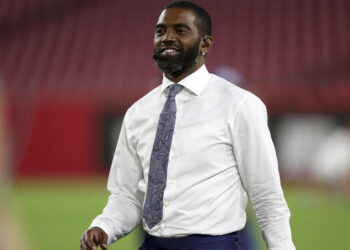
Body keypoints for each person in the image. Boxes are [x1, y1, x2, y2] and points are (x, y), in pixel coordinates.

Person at [80, 1, 295, 250]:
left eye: (180, 31)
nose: (167, 38)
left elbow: (267, 197)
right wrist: (105, 226)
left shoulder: (239, 105)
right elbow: (127, 197)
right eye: (161, 31)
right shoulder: (138, 113)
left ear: (206, 44)